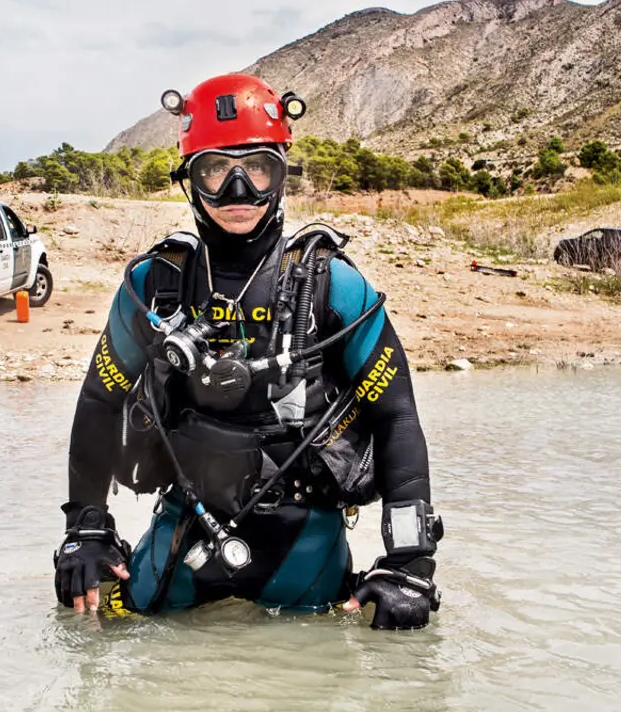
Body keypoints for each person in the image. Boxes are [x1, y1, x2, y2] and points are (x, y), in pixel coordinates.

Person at [51, 73, 443, 630]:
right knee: (86, 623)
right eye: (216, 170)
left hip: (305, 537)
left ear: (281, 173)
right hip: (188, 526)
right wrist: (85, 529)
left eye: (257, 169)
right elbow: (98, 400)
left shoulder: (332, 284)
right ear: (192, 180)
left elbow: (396, 415)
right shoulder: (155, 285)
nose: (238, 192)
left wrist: (410, 562)